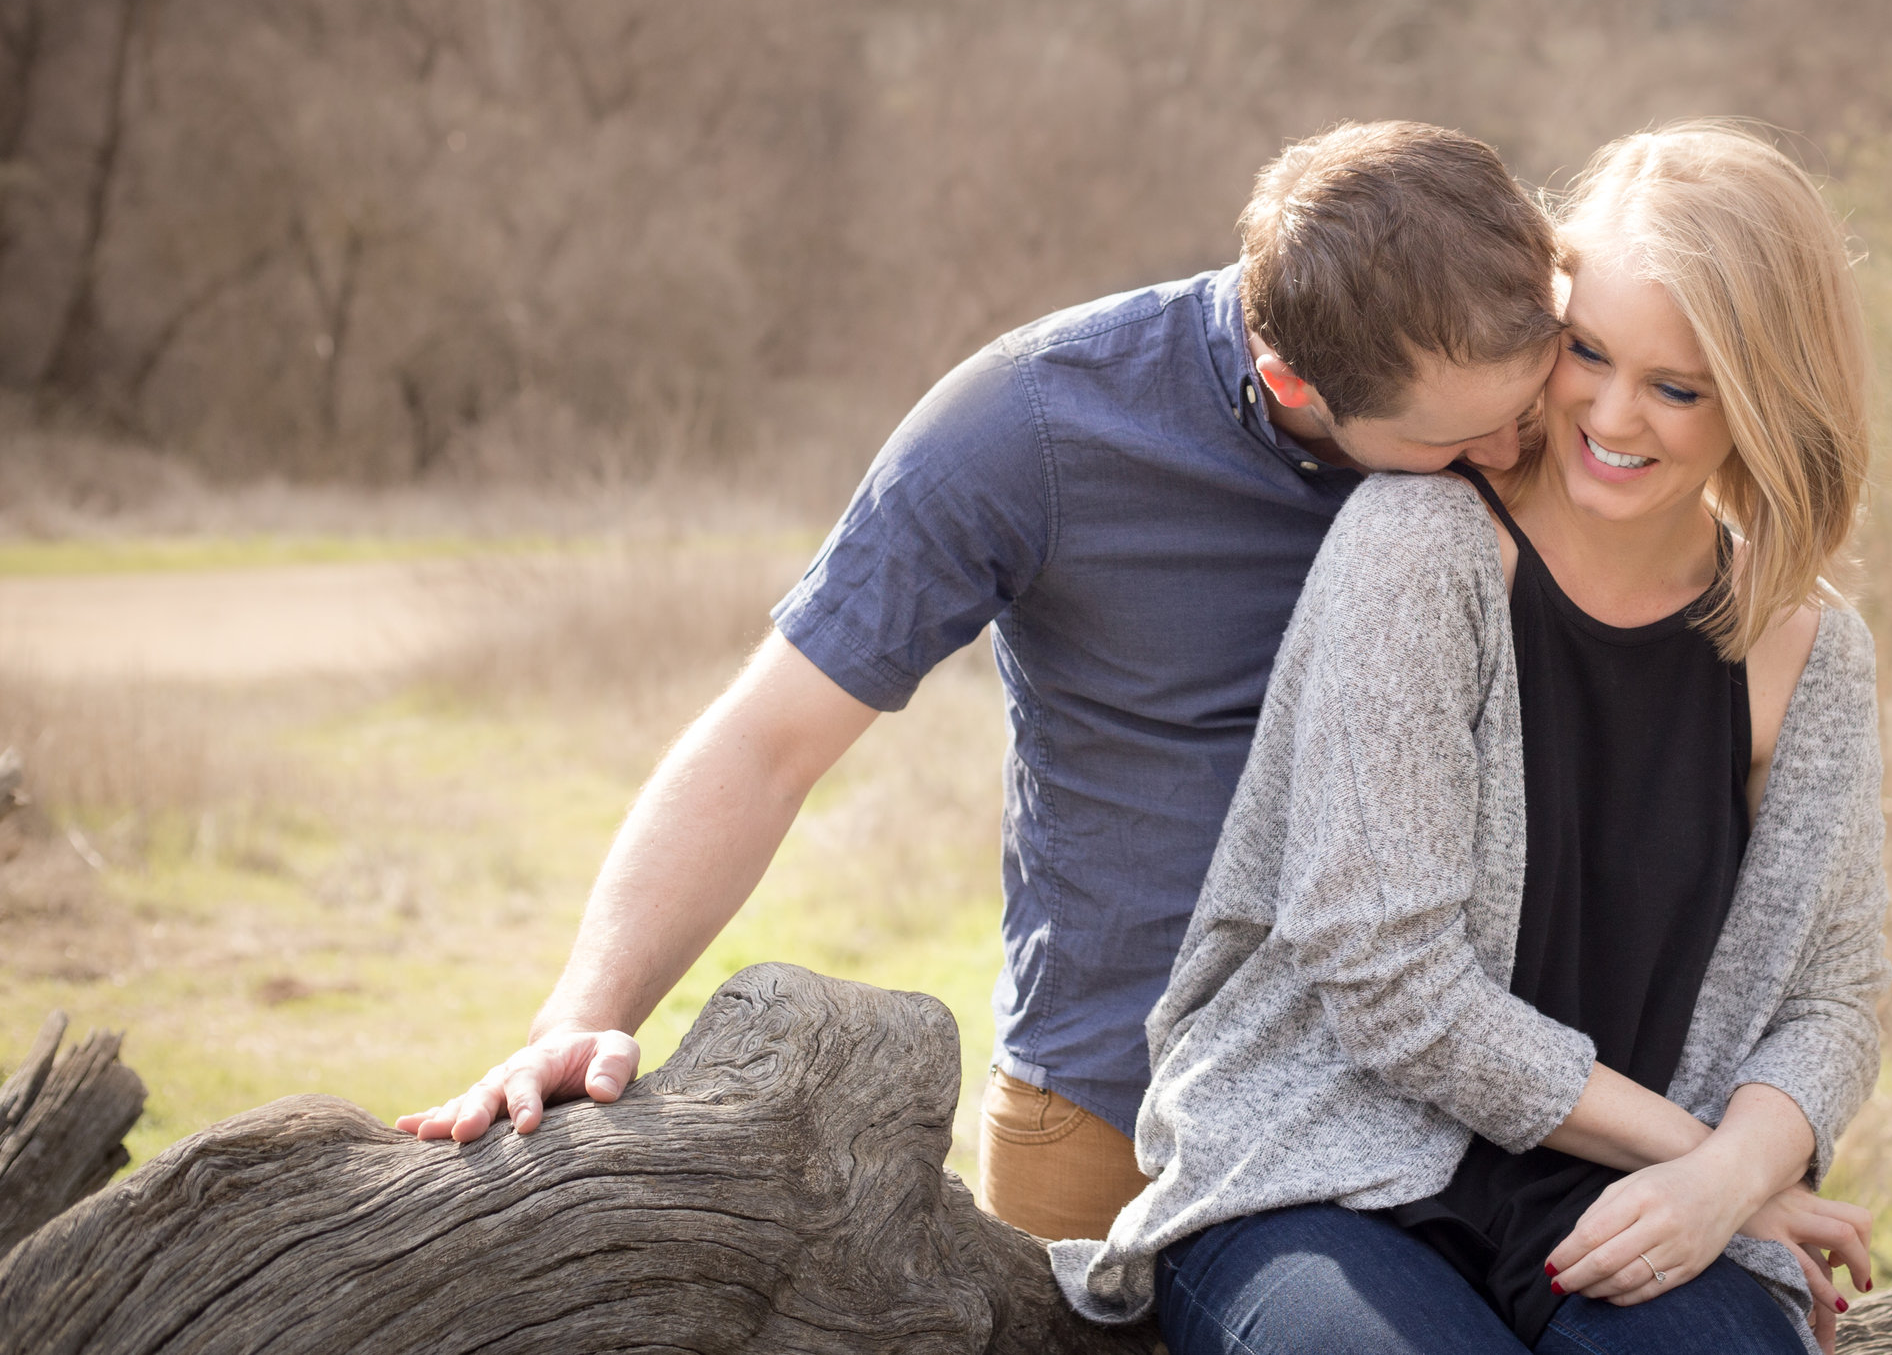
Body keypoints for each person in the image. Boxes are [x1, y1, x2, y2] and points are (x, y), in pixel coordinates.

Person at [393, 120, 1571, 1245]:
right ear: (1294, 381)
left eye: (1526, 407)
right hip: (1118, 1107)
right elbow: (767, 743)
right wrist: (581, 1018)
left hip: (1453, 1109)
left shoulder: (1564, 405)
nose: (1516, 455)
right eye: (1458, 440)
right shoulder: (1033, 427)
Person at [1053, 124, 1889, 1355]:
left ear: (1763, 399)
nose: (1612, 414)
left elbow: (1829, 1001)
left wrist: (1716, 1196)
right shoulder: (1419, 545)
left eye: (1677, 385)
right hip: (1325, 1172)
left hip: (1627, 1205)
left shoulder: (1810, 651)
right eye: (1586, 353)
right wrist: (1720, 1166)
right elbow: (1390, 985)